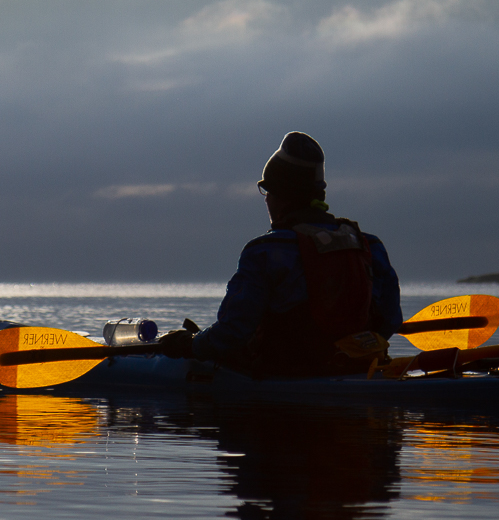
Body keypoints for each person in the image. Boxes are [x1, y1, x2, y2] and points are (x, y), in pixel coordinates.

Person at [159, 132, 402, 378]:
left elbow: (232, 333)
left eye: (267, 192)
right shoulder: (368, 245)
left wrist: (189, 343)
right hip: (359, 371)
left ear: (281, 196)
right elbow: (390, 320)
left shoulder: (265, 251)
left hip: (284, 375)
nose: (267, 201)